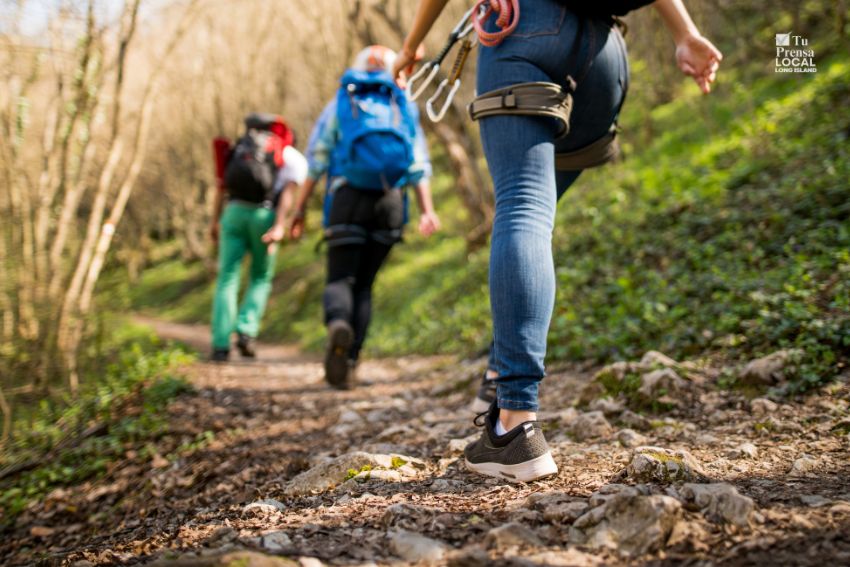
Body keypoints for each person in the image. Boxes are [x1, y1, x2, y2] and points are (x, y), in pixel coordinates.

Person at [394, 0, 722, 481]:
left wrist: (413, 42)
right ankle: (497, 373)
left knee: (524, 207)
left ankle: (514, 425)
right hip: (605, 57)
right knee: (533, 213)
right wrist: (684, 33)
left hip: (523, 32)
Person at [291, 45, 441, 390]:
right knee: (366, 285)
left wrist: (299, 209)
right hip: (390, 202)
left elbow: (317, 158)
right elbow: (418, 164)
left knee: (341, 278)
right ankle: (352, 361)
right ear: (393, 67)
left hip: (347, 198)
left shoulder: (343, 101)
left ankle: (338, 325)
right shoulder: (403, 103)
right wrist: (428, 210)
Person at [209, 113, 308, 362]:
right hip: (264, 215)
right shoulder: (288, 154)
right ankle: (246, 331)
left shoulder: (239, 148)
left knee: (227, 277)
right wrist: (279, 225)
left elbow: (221, 186)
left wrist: (215, 220)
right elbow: (287, 193)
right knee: (261, 276)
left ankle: (220, 344)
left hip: (233, 212)